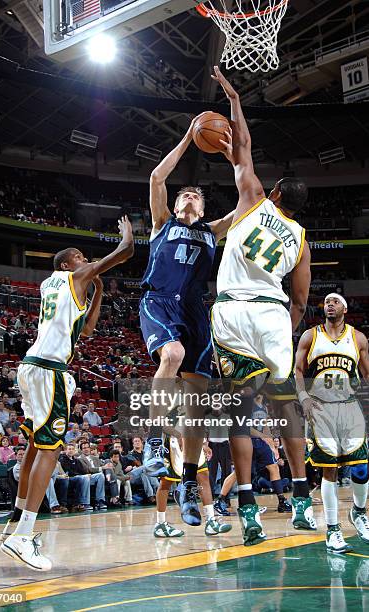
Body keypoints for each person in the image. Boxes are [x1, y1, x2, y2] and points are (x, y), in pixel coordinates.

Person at [210, 66, 316, 546]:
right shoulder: (300, 237)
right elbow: (300, 298)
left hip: (234, 311)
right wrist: (285, 327)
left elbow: (244, 148)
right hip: (274, 314)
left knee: (240, 410)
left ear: (274, 193)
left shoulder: (252, 199)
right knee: (285, 407)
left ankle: (248, 508)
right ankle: (301, 501)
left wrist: (234, 99)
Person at [0, 217, 134, 571]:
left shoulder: (51, 285)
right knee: (51, 448)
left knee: (34, 444)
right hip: (50, 371)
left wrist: (99, 291)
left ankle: (16, 516)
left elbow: (87, 329)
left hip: (32, 366)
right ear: (65, 264)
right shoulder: (74, 277)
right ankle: (24, 535)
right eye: (77, 256)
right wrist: (127, 233)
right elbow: (124, 254)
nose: (84, 259)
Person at [140, 115, 239, 526]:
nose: (190, 197)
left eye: (196, 195)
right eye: (185, 195)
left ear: (203, 206)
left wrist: (233, 156)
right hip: (161, 302)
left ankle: (186, 482)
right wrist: (190, 137)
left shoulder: (214, 231)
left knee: (198, 403)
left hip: (196, 310)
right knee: (173, 354)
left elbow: (248, 204)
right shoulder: (162, 224)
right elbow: (156, 177)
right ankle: (153, 440)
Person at [295, 293, 369, 553]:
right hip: (320, 408)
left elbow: (367, 375)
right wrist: (303, 397)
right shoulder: (310, 336)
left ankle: (359, 513)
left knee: (361, 468)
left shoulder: (358, 338)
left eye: (335, 301)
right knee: (330, 470)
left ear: (345, 308)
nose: (329, 304)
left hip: (349, 407)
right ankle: (333, 530)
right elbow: (298, 370)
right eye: (327, 301)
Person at [154, 434, 231, 537]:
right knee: (166, 483)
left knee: (203, 476)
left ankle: (211, 521)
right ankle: (160, 524)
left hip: (193, 437)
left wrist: (203, 443)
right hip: (173, 439)